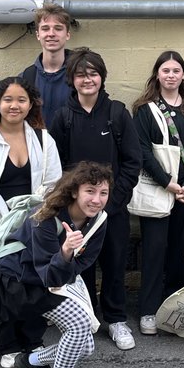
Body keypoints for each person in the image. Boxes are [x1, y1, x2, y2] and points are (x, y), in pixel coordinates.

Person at [0, 162, 113, 368]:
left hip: (56, 276)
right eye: (90, 192)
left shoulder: (99, 219)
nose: (97, 199)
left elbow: (83, 263)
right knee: (80, 326)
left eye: (103, 193)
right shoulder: (45, 218)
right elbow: (47, 273)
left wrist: (68, 259)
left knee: (85, 346)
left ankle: (32, 360)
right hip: (21, 282)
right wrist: (67, 251)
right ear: (74, 192)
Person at [0, 77, 62, 368]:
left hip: (36, 224)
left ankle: (33, 341)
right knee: (4, 283)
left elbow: (53, 183)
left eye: (21, 99)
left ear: (30, 104)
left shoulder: (43, 139)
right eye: (8, 99)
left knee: (35, 281)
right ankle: (8, 345)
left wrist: (36, 220)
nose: (14, 105)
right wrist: (2, 225)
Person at [48, 47, 142, 350]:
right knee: (80, 266)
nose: (87, 79)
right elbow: (56, 166)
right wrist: (72, 204)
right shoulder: (63, 118)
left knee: (114, 264)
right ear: (71, 79)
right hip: (76, 214)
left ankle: (116, 320)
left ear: (101, 77)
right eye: (80, 74)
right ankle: (86, 318)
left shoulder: (117, 113)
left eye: (93, 73)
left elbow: (132, 161)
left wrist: (113, 201)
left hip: (111, 210)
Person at [131, 51, 184, 336]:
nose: (171, 75)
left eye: (176, 70)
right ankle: (149, 310)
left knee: (179, 250)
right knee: (153, 251)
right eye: (166, 70)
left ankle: (173, 308)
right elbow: (142, 151)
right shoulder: (144, 109)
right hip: (157, 189)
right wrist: (167, 182)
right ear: (157, 74)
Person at [20, 2, 74, 129]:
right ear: (38, 35)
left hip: (72, 147)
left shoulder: (79, 74)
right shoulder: (27, 77)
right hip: (37, 147)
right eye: (45, 29)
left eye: (58, 28)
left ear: (67, 35)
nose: (51, 33)